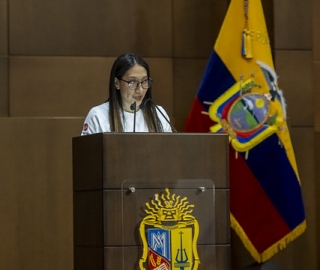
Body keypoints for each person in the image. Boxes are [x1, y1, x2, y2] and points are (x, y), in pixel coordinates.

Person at [81, 53, 175, 135]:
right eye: (132, 82)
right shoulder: (98, 115)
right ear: (117, 83)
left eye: (144, 81)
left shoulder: (158, 113)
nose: (140, 89)